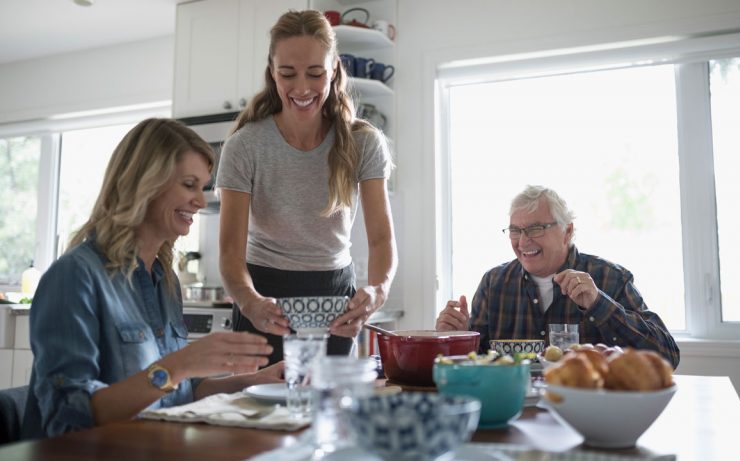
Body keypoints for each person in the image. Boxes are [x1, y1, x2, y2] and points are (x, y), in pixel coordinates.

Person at [22, 119, 283, 439]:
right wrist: (179, 365)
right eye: (189, 185)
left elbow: (175, 393)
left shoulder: (165, 281)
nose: (201, 202)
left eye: (202, 187)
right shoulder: (75, 277)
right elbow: (71, 417)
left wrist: (249, 382)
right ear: (144, 183)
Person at [217, 10, 398, 365]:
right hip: (262, 294)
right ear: (272, 73)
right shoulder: (245, 145)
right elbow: (229, 253)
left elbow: (381, 240)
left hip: (334, 297)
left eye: (315, 73)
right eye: (288, 74)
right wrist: (248, 300)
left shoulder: (363, 141)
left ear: (334, 70)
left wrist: (378, 291)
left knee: (328, 408)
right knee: (257, 413)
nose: (301, 88)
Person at [436, 185, 680, 368]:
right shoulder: (494, 283)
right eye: (515, 230)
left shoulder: (610, 279)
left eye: (535, 229)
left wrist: (599, 304)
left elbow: (667, 357)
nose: (523, 241)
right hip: (515, 417)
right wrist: (457, 337)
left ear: (567, 231)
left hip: (588, 418)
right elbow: (477, 363)